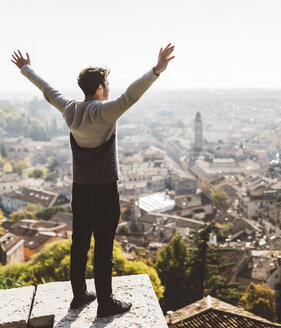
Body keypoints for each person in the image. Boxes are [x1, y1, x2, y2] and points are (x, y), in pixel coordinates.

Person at [11, 44, 175, 317]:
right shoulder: (104, 112)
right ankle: (105, 302)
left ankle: (79, 295)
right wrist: (156, 70)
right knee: (103, 247)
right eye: (106, 84)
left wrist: (25, 69)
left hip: (81, 189)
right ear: (99, 88)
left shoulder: (70, 110)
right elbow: (131, 95)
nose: (109, 87)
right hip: (105, 189)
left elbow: (47, 89)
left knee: (79, 243)